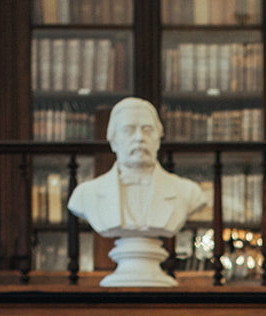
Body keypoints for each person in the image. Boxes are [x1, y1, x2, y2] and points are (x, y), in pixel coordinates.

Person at [67, 97, 206, 239]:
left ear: (158, 140)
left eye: (147, 130)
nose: (140, 137)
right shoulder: (85, 195)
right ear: (113, 142)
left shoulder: (188, 192)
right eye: (129, 130)